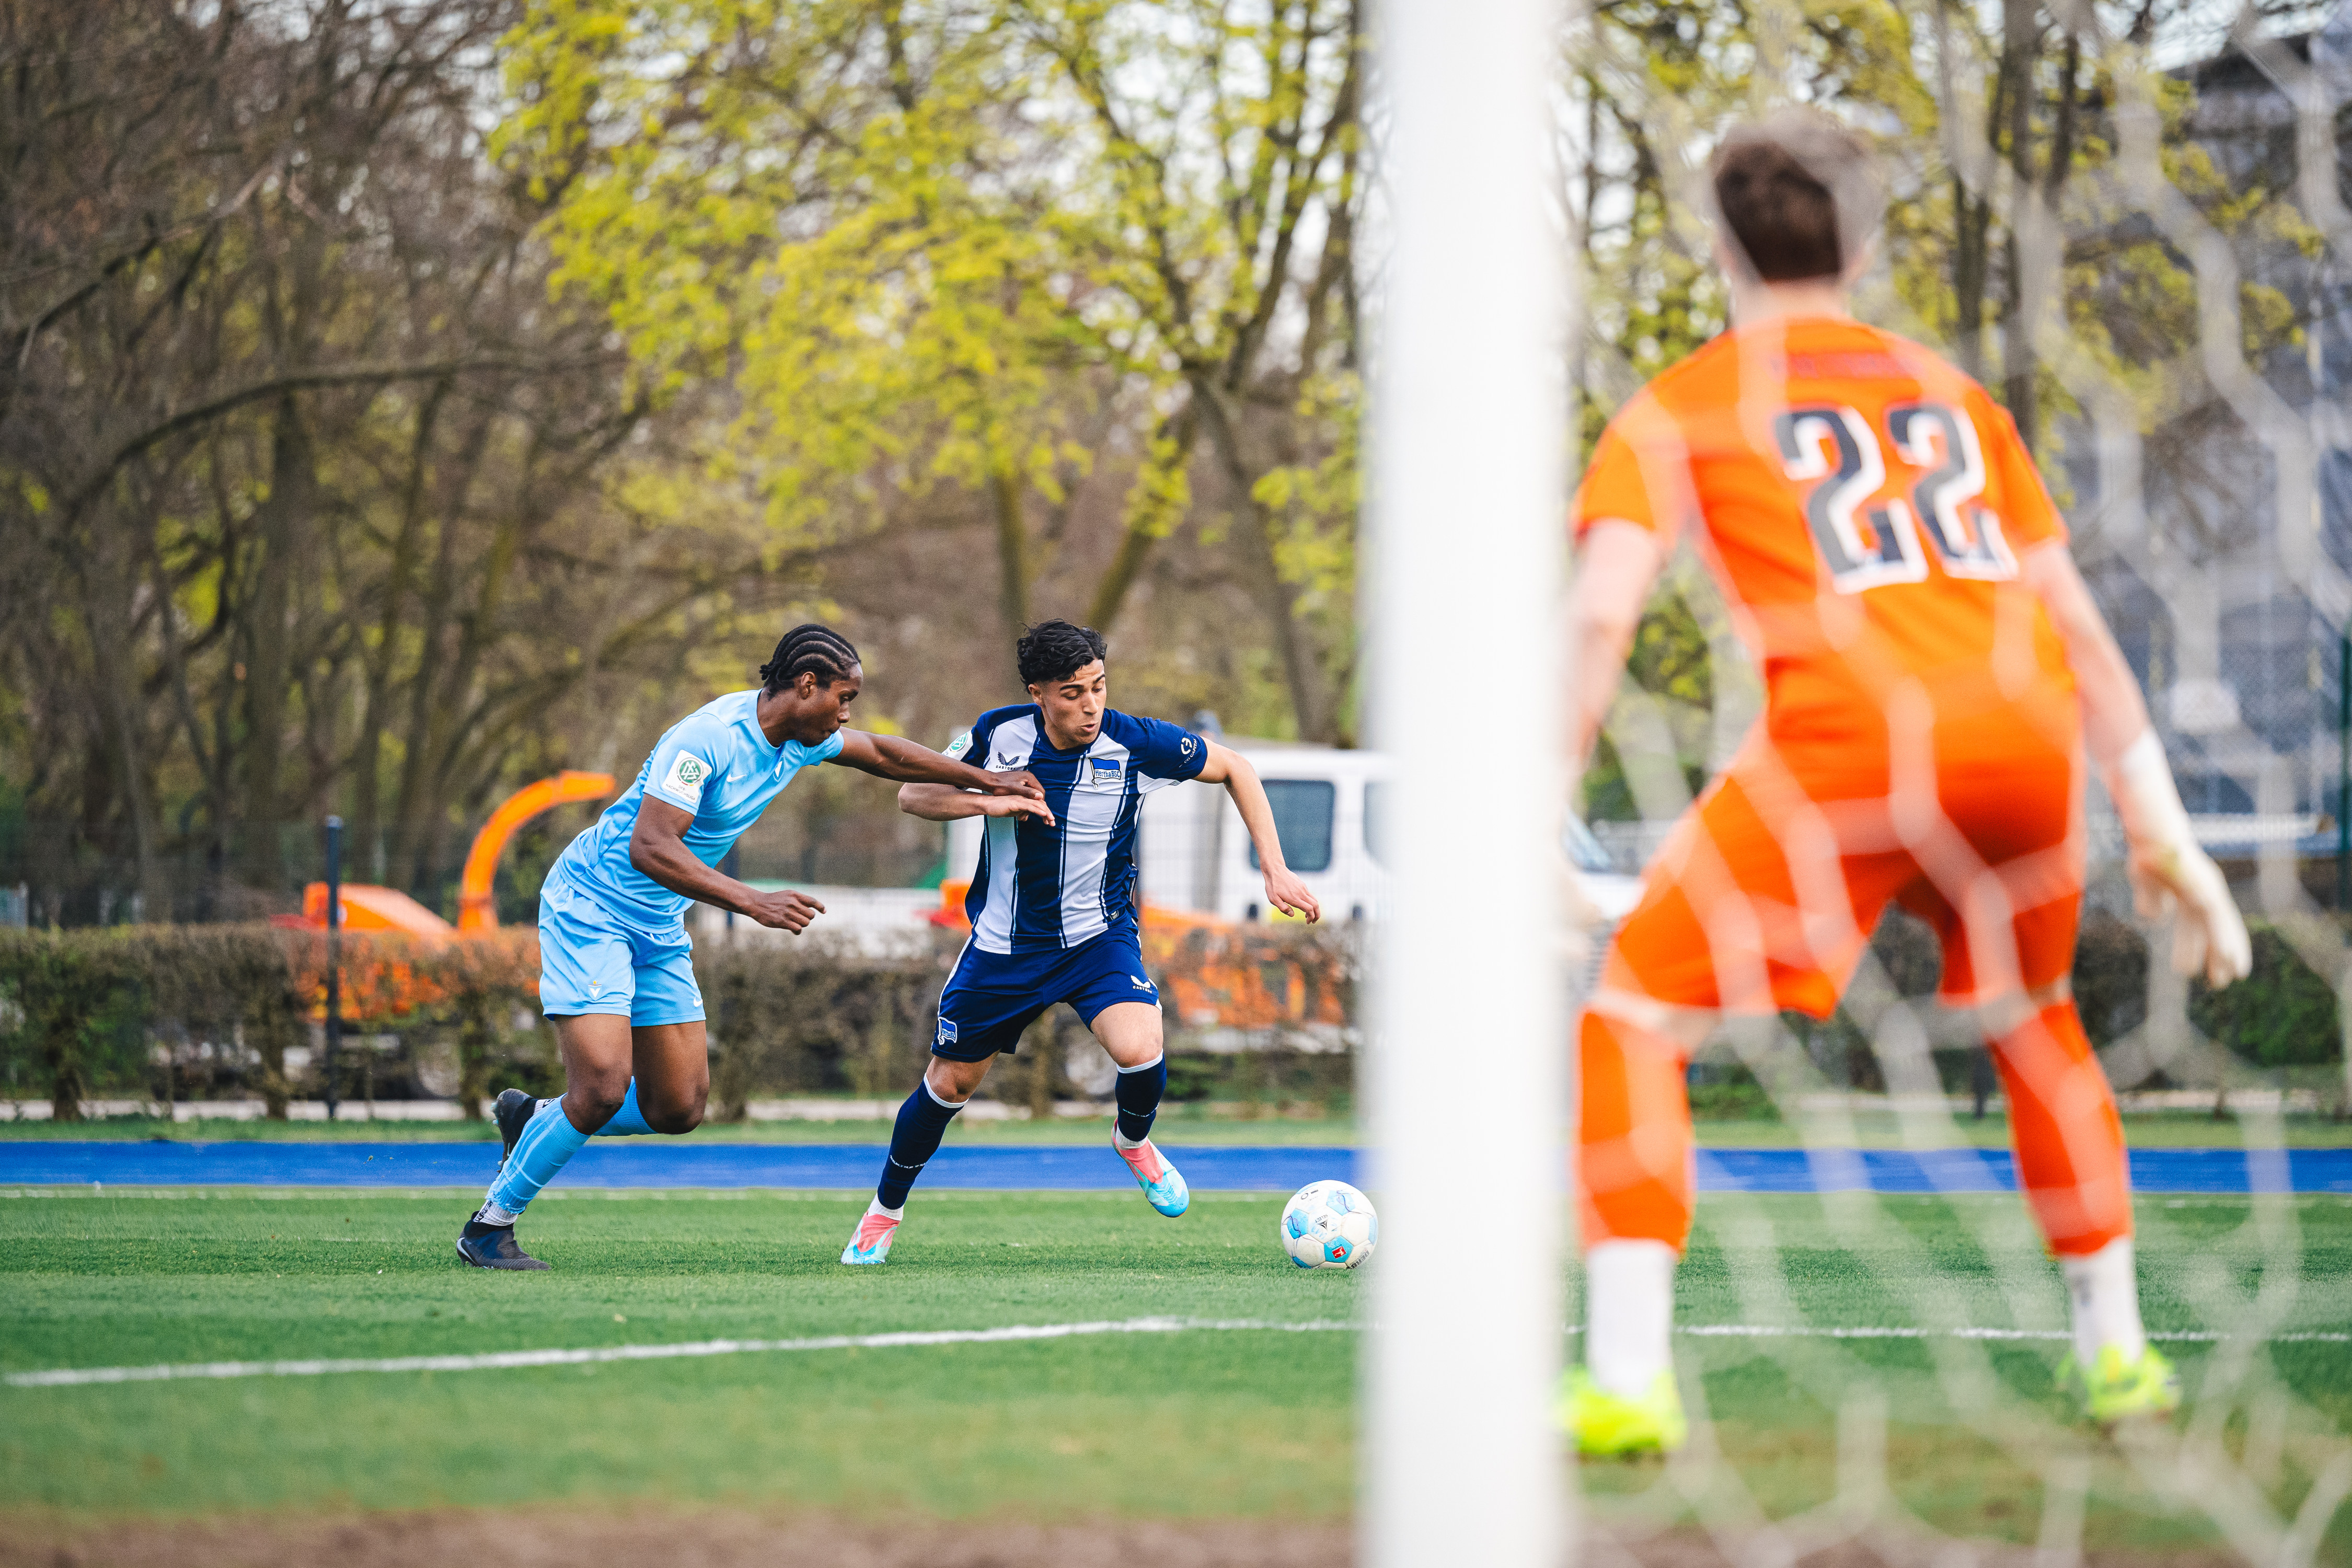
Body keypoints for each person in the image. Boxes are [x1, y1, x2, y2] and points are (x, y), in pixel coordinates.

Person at [1559, 111, 2251, 1453]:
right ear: (1866, 247)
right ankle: (2117, 1358)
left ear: (1717, 248)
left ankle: (1627, 1382)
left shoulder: (1684, 403)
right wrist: (2162, 827)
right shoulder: (1955, 399)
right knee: (2036, 1023)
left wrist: (1536, 810)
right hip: (2025, 741)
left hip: (1851, 741)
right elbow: (2077, 624)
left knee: (1632, 1015)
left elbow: (1597, 615)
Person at [458, 624, 1050, 1270]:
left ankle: (539, 1120)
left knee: (678, 1107)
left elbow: (884, 754)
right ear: (806, 685)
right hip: (592, 908)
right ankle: (490, 1227)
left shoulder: (801, 740)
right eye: (843, 698)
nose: (846, 715)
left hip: (658, 921)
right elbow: (650, 846)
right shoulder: (706, 739)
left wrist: (985, 781)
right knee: (601, 1086)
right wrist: (752, 901)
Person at [838, 619, 1322, 1264]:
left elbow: (1236, 767)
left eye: (1098, 686)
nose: (1090, 704)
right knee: (949, 1087)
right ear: (1038, 693)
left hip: (1098, 940)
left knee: (1141, 1047)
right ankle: (884, 1211)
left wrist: (1275, 867)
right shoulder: (996, 735)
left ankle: (1133, 1141)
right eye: (1072, 693)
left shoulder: (1136, 741)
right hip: (1005, 948)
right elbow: (913, 794)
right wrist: (992, 798)